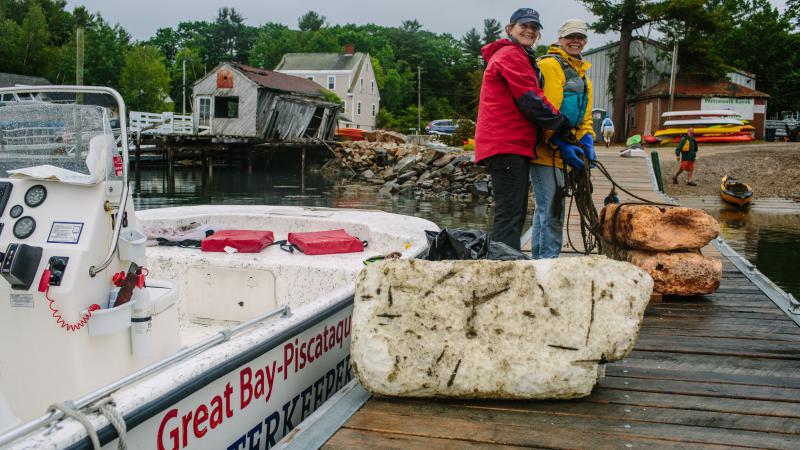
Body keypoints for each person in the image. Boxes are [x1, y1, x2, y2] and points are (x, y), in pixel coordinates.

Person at [474, 8, 570, 251]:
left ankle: (504, 260)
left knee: (513, 210)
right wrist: (560, 122)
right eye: (524, 26)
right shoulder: (511, 55)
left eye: (534, 27)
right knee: (510, 211)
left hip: (510, 144)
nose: (529, 30)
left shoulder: (518, 55)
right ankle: (504, 266)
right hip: (506, 143)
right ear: (510, 29)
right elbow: (530, 99)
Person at [529, 19, 595, 259]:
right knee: (552, 210)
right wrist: (561, 143)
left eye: (580, 37)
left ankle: (538, 262)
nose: (575, 41)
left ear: (585, 41)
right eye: (570, 37)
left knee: (545, 210)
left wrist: (587, 140)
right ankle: (548, 265)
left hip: (567, 150)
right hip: (547, 152)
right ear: (560, 39)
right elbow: (547, 110)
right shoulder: (550, 65)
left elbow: (586, 115)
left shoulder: (582, 74)